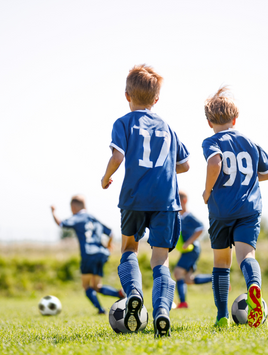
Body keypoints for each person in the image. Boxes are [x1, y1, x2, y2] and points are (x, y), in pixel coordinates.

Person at [101, 64, 190, 337]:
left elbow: (118, 157)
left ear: (127, 95)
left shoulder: (123, 123)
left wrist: (105, 178)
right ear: (156, 99)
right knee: (160, 260)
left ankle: (134, 294)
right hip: (166, 200)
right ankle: (162, 310)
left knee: (129, 248)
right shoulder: (167, 126)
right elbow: (184, 165)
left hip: (133, 197)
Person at [201, 86, 268, 328]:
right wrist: (247, 179)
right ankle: (254, 287)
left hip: (221, 209)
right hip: (248, 209)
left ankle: (222, 317)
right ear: (235, 118)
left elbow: (215, 163)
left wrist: (207, 190)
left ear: (209, 121)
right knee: (247, 255)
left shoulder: (211, 141)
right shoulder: (250, 142)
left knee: (221, 262)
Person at [51, 195, 125, 314]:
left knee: (86, 285)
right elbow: (111, 233)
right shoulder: (92, 217)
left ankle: (100, 309)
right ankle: (120, 294)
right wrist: (108, 245)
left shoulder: (77, 218)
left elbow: (60, 223)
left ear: (73, 206)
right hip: (101, 253)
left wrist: (53, 212)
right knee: (97, 286)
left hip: (88, 254)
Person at [173, 190, 211, 309]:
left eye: (176, 200)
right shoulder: (179, 217)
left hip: (192, 249)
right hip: (189, 251)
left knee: (177, 273)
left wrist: (188, 242)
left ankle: (183, 303)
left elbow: (201, 227)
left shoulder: (188, 216)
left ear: (184, 201)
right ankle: (218, 277)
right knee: (188, 279)